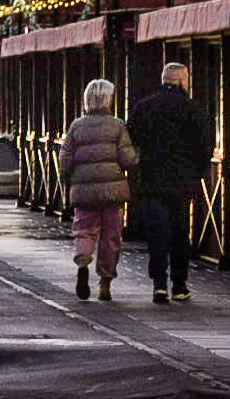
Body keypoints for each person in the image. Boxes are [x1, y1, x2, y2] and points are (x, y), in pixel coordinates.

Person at [127, 62, 213, 304]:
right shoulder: (193, 109)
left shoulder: (144, 107)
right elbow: (204, 148)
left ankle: (159, 285)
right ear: (183, 81)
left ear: (164, 79)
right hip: (183, 182)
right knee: (179, 232)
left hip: (152, 180)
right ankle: (180, 284)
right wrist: (196, 172)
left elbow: (132, 139)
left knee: (156, 233)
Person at [60, 78, 138, 302]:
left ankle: (83, 262)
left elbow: (65, 157)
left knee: (84, 229)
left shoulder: (76, 126)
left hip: (84, 190)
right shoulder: (117, 125)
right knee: (111, 237)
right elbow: (127, 159)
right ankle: (105, 283)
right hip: (112, 191)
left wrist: (70, 176)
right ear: (109, 100)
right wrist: (137, 157)